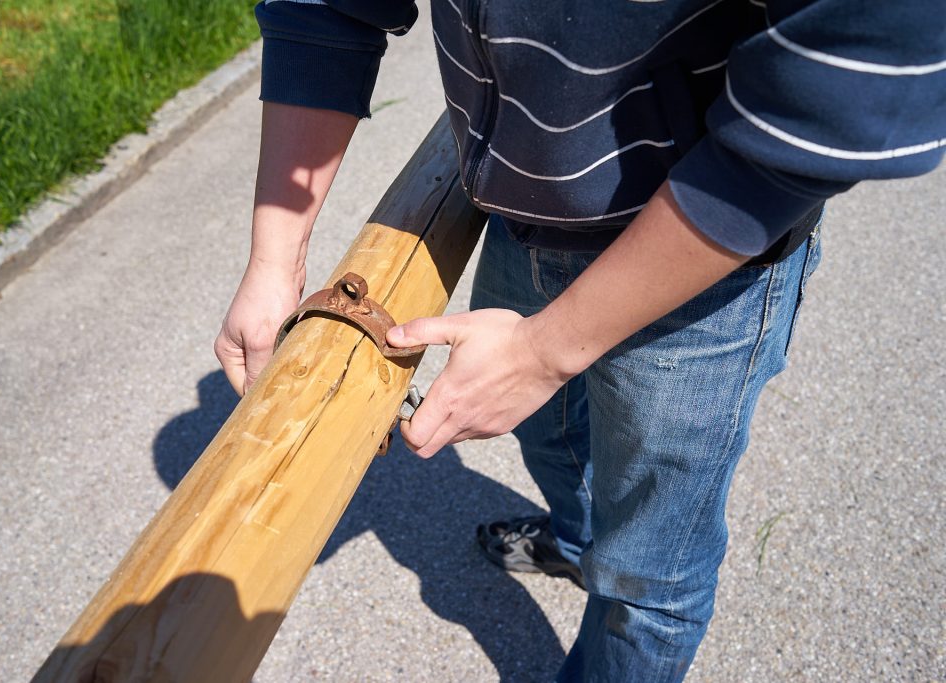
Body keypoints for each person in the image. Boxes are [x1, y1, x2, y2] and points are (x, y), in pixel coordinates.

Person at [214, 1, 945, 680]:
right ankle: (576, 538)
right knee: (549, 433)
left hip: (701, 264)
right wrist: (274, 262)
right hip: (518, 212)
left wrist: (543, 352)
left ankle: (606, 577)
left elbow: (837, 103)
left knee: (647, 575)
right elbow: (329, 8)